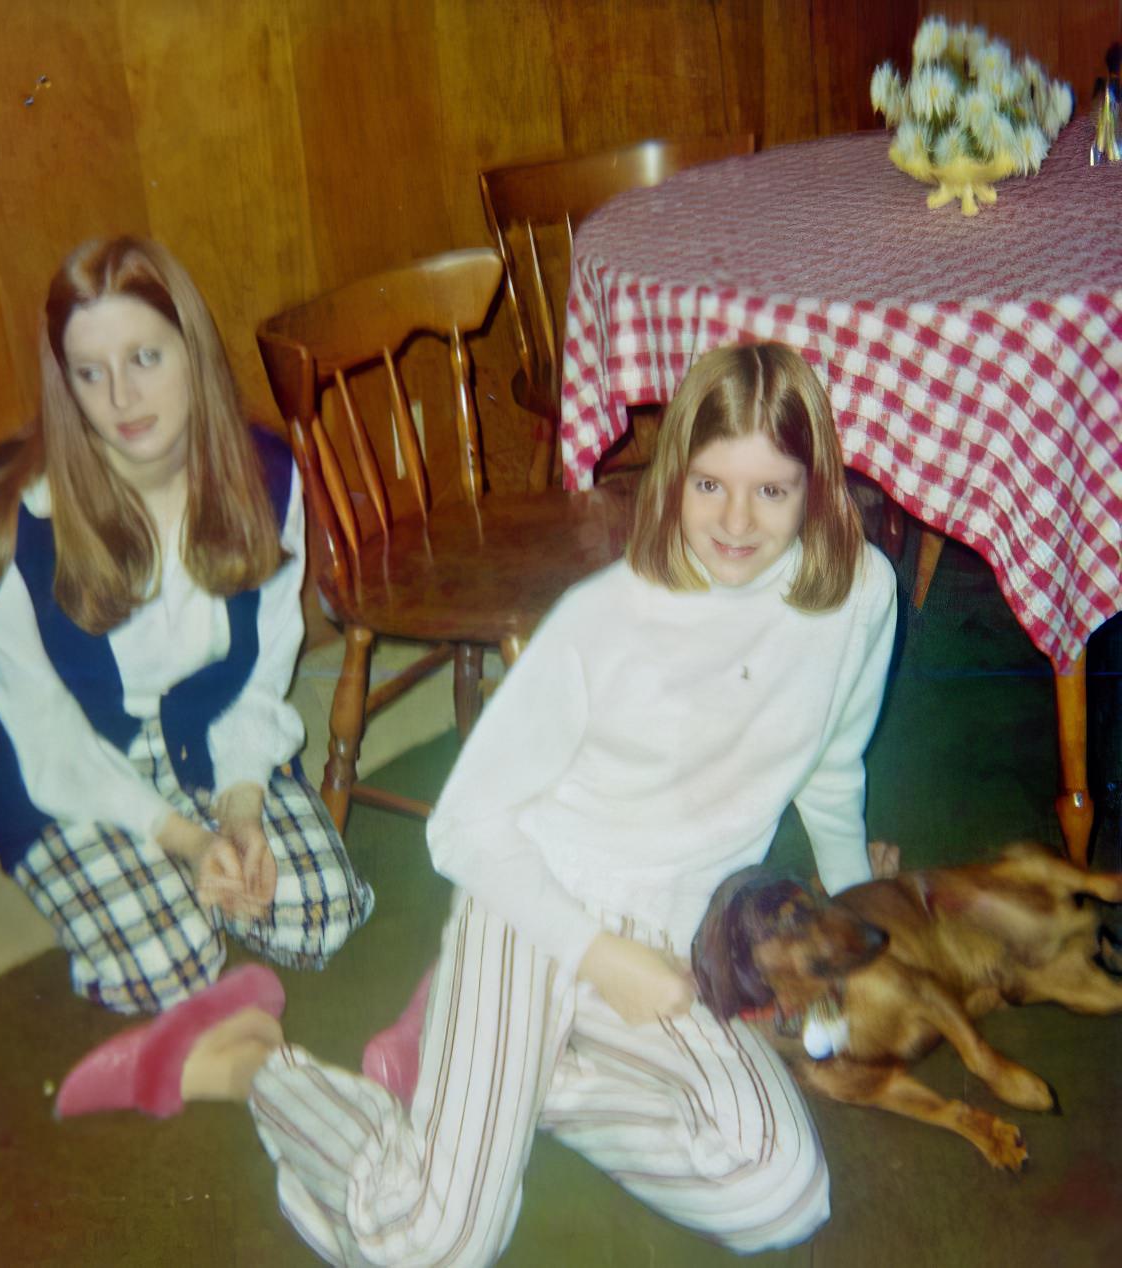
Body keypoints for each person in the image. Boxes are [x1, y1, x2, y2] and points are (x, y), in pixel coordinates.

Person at [55, 341, 899, 1263]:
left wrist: (853, 909)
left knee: (781, 1191)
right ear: (671, 481)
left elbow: (832, 767)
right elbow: (464, 826)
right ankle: (255, 1059)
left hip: (677, 934)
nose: (735, 522)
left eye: (771, 491)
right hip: (535, 905)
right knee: (432, 1243)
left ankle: (512, 1077)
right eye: (709, 486)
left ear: (815, 489)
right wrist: (594, 953)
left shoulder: (859, 597)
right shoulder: (603, 620)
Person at [0, 235, 373, 1016]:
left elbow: (259, 673)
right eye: (91, 372)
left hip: (200, 731)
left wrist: (240, 810)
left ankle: (172, 885)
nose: (122, 398)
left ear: (192, 351)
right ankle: (142, 885)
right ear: (66, 385)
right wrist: (182, 838)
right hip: (66, 758)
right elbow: (45, 733)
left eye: (145, 358)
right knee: (169, 968)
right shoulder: (0, 517)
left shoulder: (269, 473)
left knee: (323, 919)